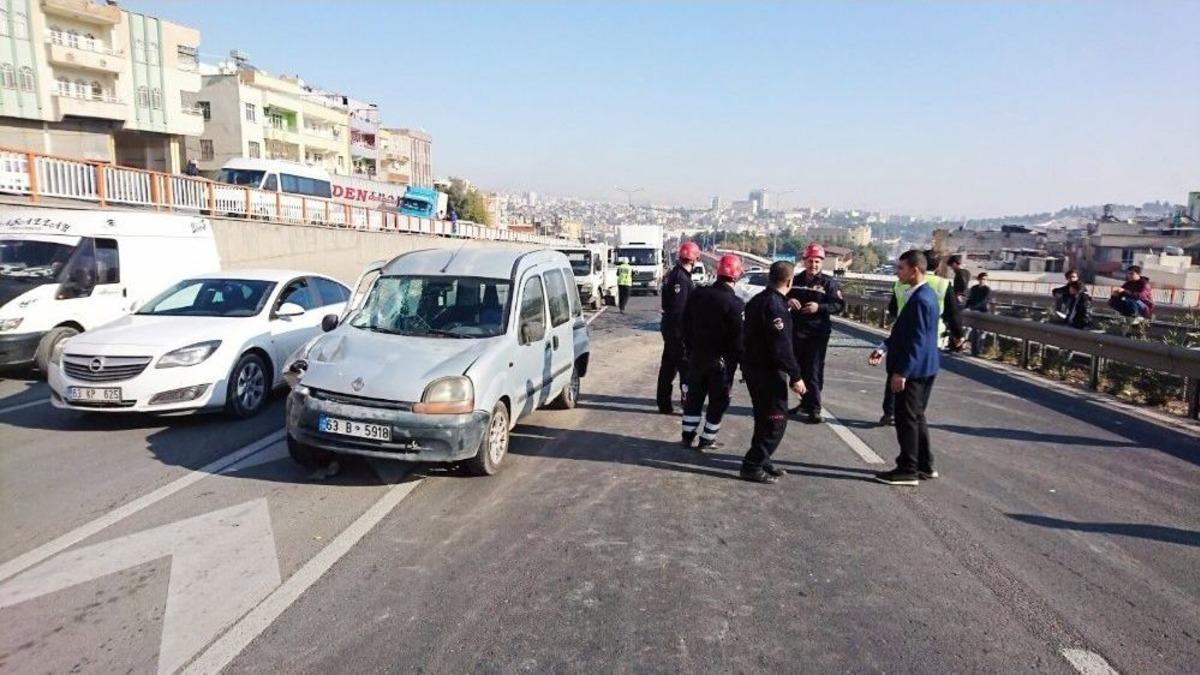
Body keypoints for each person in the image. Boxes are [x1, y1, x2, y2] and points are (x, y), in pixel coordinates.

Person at [869, 249, 942, 486]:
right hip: (925, 366)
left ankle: (907, 469)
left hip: (915, 369)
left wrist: (902, 372)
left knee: (906, 419)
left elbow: (917, 340)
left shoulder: (921, 299)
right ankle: (924, 464)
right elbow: (905, 332)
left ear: (915, 270)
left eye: (901, 268)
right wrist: (884, 347)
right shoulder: (923, 294)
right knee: (917, 416)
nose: (897, 272)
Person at [878, 249, 963, 425]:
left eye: (900, 268)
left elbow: (893, 309)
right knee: (916, 381)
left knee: (897, 375)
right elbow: (952, 313)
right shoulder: (942, 284)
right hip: (933, 338)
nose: (898, 272)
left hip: (903, 335)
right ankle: (915, 413)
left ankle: (891, 411)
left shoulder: (901, 283)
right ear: (938, 265)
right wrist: (958, 335)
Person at [740, 261, 806, 484]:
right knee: (775, 420)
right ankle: (752, 464)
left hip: (753, 368)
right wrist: (796, 376)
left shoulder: (759, 301)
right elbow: (781, 347)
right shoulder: (775, 306)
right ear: (789, 281)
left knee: (763, 417)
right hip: (767, 371)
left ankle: (763, 458)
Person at [680, 254, 745, 450]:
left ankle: (687, 435)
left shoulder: (698, 294)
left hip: (697, 358)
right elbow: (737, 339)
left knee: (694, 398)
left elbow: (685, 325)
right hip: (721, 363)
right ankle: (707, 438)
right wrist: (742, 362)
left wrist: (691, 349)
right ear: (737, 276)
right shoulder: (735, 304)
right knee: (718, 401)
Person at [786, 243, 845, 424]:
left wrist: (819, 307)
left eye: (817, 261)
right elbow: (781, 295)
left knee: (813, 370)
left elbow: (839, 305)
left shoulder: (829, 283)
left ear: (822, 263)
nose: (814, 265)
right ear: (804, 261)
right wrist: (789, 300)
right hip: (796, 331)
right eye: (810, 261)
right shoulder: (795, 280)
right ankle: (804, 402)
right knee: (798, 369)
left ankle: (815, 408)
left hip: (817, 334)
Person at [657, 241, 699, 414]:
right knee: (685, 367)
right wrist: (684, 333)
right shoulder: (680, 279)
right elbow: (678, 310)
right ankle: (687, 402)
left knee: (668, 366)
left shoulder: (675, 275)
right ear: (694, 259)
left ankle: (664, 403)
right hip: (678, 330)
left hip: (671, 328)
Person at [964, 272, 991, 356]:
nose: (983, 281)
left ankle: (978, 349)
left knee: (981, 332)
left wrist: (972, 308)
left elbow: (983, 301)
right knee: (973, 331)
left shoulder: (987, 289)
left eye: (985, 280)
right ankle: (973, 349)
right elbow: (970, 299)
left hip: (982, 311)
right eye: (982, 279)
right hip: (973, 311)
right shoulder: (974, 288)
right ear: (978, 279)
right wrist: (966, 307)